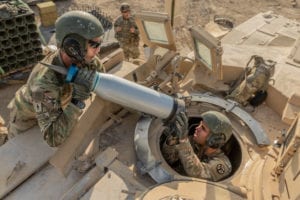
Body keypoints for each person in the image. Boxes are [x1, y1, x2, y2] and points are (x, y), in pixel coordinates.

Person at [4, 10, 105, 147]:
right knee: (15, 150)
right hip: (27, 117)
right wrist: (76, 102)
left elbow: (102, 80)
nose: (98, 50)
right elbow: (53, 139)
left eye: (100, 43)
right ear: (73, 46)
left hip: (56, 103)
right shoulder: (43, 84)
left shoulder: (88, 60)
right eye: (94, 45)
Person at [162, 111, 233, 181]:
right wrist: (174, 137)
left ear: (214, 139)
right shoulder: (192, 142)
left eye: (203, 128)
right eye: (199, 124)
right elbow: (168, 158)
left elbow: (197, 173)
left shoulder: (223, 164)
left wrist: (183, 141)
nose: (197, 128)